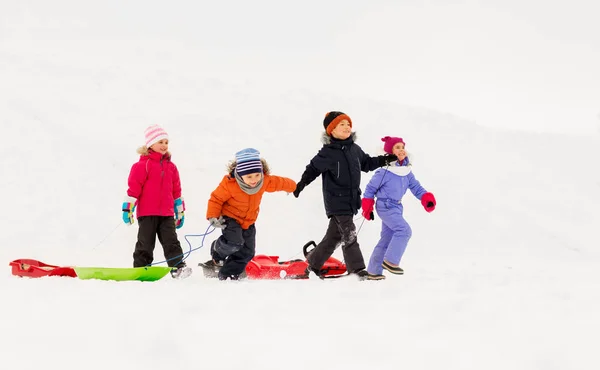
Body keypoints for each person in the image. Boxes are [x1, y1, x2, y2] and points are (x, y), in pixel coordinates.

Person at [292, 111, 397, 280]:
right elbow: (312, 169)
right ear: (331, 130)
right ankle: (357, 270)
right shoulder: (327, 152)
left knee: (334, 237)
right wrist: (300, 185)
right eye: (342, 124)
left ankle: (312, 265)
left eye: (348, 124)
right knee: (349, 234)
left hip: (351, 201)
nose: (347, 127)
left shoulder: (354, 149)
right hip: (336, 201)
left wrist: (386, 159)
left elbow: (367, 163)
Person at [204, 148, 296, 280]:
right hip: (230, 218)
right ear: (240, 175)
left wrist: (293, 187)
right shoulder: (230, 184)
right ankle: (217, 249)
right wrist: (212, 216)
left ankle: (229, 273)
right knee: (234, 243)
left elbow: (279, 182)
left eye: (257, 175)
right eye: (249, 177)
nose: (254, 180)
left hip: (249, 221)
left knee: (247, 252)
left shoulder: (264, 181)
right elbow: (216, 198)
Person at [361, 136, 436, 280]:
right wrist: (367, 205)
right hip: (385, 206)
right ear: (390, 152)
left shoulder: (406, 171)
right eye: (397, 147)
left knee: (387, 238)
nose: (401, 150)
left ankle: (374, 271)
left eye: (402, 147)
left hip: (397, 206)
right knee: (404, 230)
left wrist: (426, 198)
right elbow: (370, 189)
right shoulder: (384, 171)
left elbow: (416, 187)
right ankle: (391, 261)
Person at [122, 124, 191, 279]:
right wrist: (128, 209)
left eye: (166, 142)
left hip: (166, 214)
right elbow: (133, 189)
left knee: (171, 241)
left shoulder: (171, 167)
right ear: (150, 144)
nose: (164, 145)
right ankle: (141, 268)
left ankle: (178, 268)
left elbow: (176, 191)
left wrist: (179, 211)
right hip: (147, 213)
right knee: (145, 242)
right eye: (160, 142)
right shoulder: (142, 166)